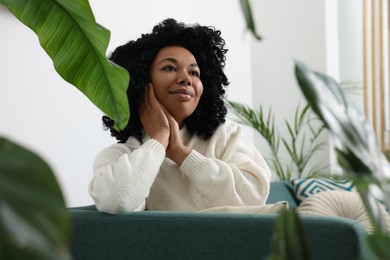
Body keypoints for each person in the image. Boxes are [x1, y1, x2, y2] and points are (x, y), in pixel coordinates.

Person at [89, 18, 272, 214]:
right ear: (141, 82)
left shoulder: (225, 136)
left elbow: (254, 195)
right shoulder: (121, 156)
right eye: (169, 68)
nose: (186, 79)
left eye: (194, 72)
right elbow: (118, 201)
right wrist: (159, 140)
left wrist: (180, 153)